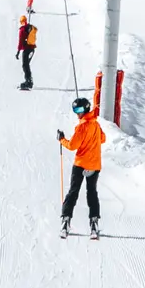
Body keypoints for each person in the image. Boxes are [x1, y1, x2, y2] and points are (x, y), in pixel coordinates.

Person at [56, 97, 104, 239]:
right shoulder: (96, 124)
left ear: (86, 109)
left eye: (79, 110)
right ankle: (94, 223)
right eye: (75, 110)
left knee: (73, 192)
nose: (77, 113)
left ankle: (65, 221)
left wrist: (61, 139)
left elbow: (72, 146)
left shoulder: (82, 126)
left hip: (80, 164)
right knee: (92, 193)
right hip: (94, 165)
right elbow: (103, 138)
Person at [15, 16, 37, 90]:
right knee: (26, 65)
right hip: (32, 49)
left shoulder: (22, 30)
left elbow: (20, 42)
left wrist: (18, 52)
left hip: (27, 50)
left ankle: (28, 82)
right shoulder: (30, 27)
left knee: (25, 65)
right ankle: (29, 80)